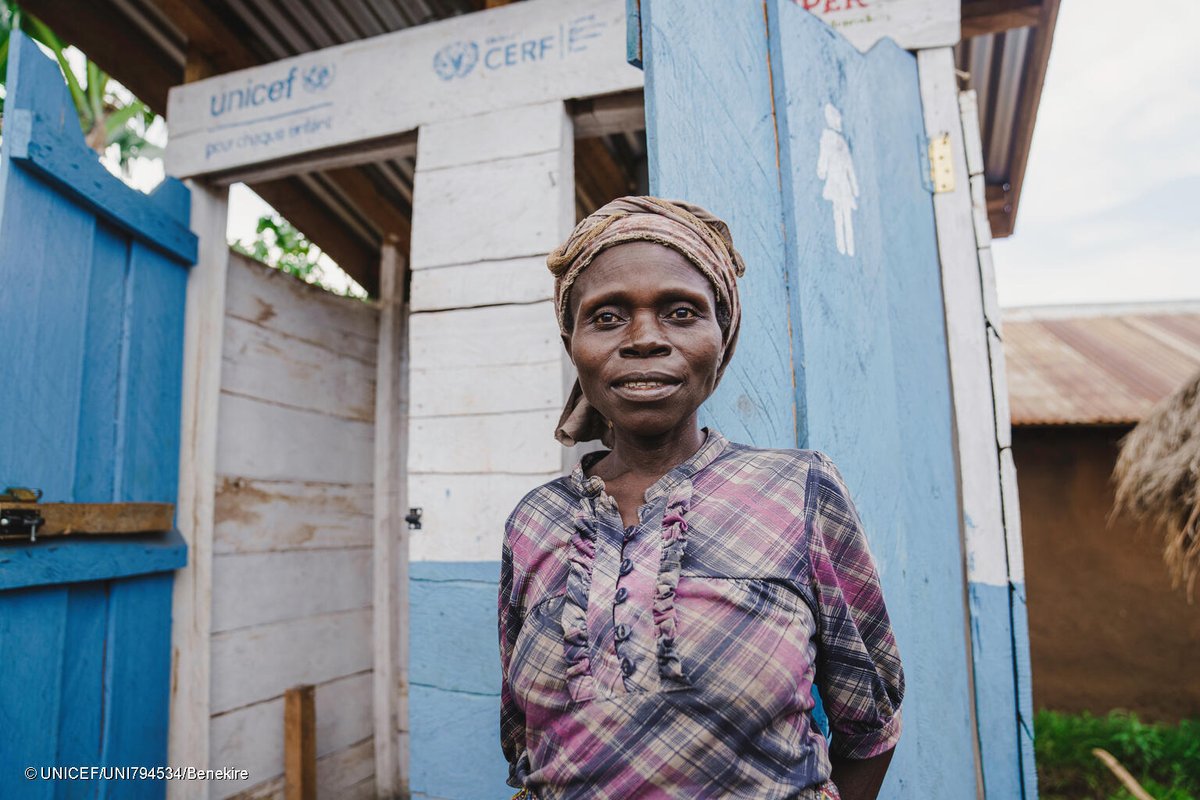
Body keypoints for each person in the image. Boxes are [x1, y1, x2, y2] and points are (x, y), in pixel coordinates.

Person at [498, 196, 904, 800]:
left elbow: (868, 725)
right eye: (606, 317)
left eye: (681, 312)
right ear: (573, 342)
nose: (643, 340)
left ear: (723, 332)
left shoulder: (798, 492)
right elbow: (522, 739)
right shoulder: (534, 522)